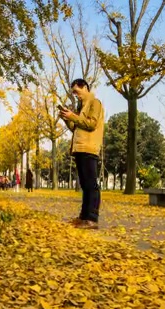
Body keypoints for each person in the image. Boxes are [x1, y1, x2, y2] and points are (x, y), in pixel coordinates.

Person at [59, 78, 105, 229]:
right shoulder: (82, 107)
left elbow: (91, 124)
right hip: (79, 148)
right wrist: (67, 118)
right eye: (73, 93)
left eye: (77, 92)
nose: (76, 95)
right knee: (85, 184)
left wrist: (73, 116)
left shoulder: (95, 103)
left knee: (91, 184)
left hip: (89, 148)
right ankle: (83, 217)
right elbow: (76, 127)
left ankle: (92, 218)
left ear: (85, 87)